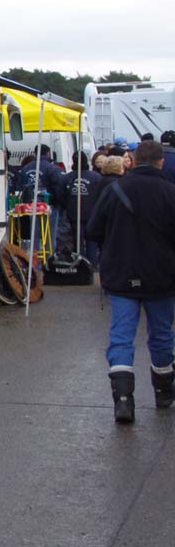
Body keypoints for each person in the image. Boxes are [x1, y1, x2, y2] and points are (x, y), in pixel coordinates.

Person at [84, 140, 175, 423]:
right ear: (160, 162)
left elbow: (92, 230)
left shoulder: (115, 190)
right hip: (162, 277)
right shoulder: (171, 193)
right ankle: (163, 392)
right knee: (161, 334)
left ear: (132, 161)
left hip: (121, 275)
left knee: (121, 336)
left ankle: (123, 401)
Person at [56, 151, 103, 265]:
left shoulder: (67, 178)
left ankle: (81, 265)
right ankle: (91, 264)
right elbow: (101, 196)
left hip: (74, 215)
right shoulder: (96, 177)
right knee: (91, 240)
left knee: (78, 242)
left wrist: (68, 205)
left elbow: (60, 196)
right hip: (91, 214)